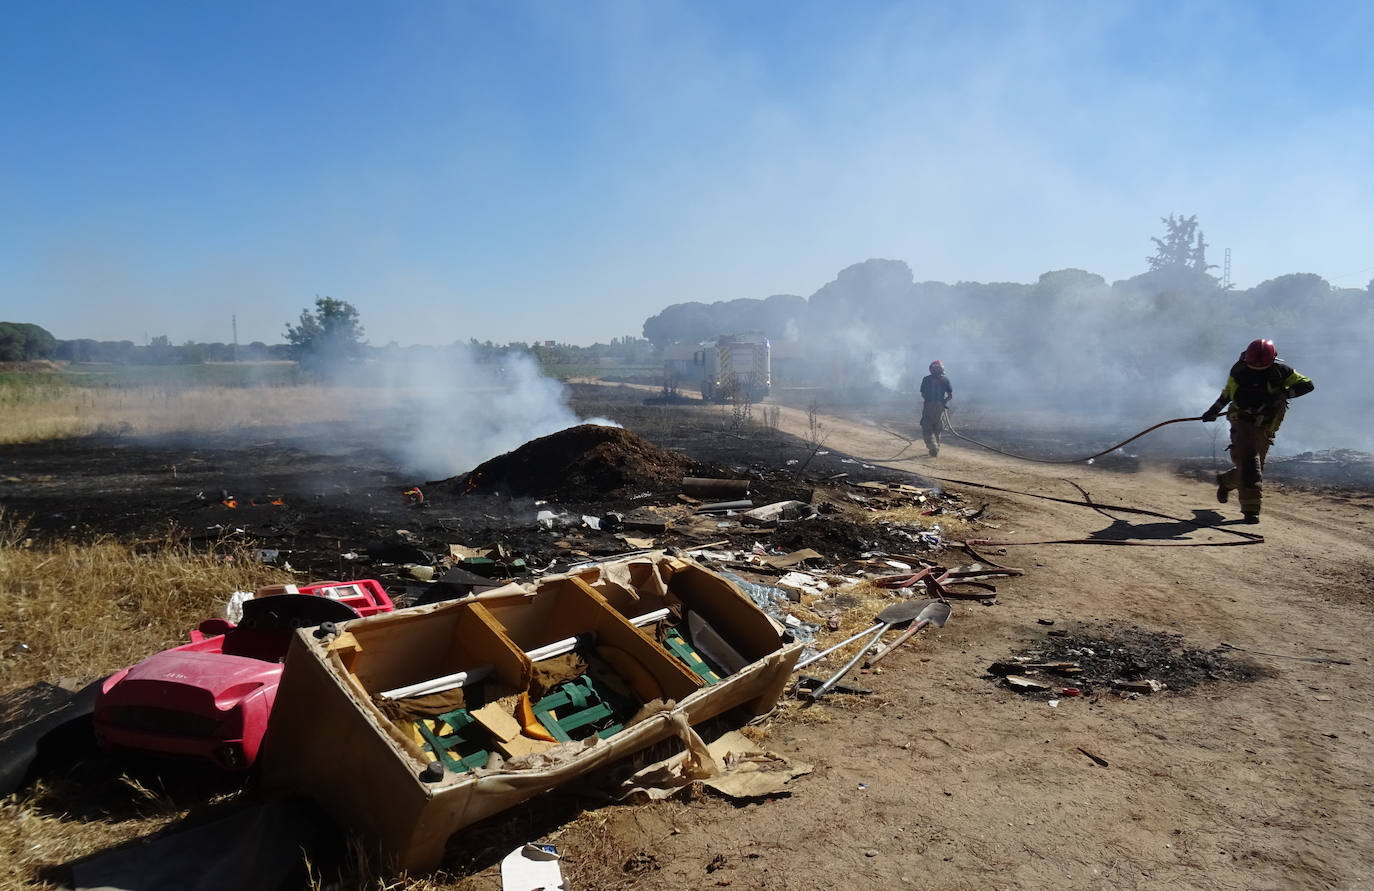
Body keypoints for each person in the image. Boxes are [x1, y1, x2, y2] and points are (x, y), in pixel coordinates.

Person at [1201, 338, 1314, 523]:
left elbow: (1307, 385)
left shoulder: (1282, 371)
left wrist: (1283, 394)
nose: (1257, 372)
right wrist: (1213, 411)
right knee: (1251, 466)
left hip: (1266, 424)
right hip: (1242, 420)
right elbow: (1228, 394)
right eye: (1254, 368)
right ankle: (1251, 511)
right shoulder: (1239, 371)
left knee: (1254, 467)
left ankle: (1227, 481)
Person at [919, 360, 953, 457]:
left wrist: (928, 400)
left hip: (929, 405)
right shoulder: (945, 380)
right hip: (940, 406)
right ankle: (936, 448)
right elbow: (950, 396)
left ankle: (933, 447)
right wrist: (943, 402)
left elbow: (923, 393)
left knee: (927, 427)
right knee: (937, 428)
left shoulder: (926, 379)